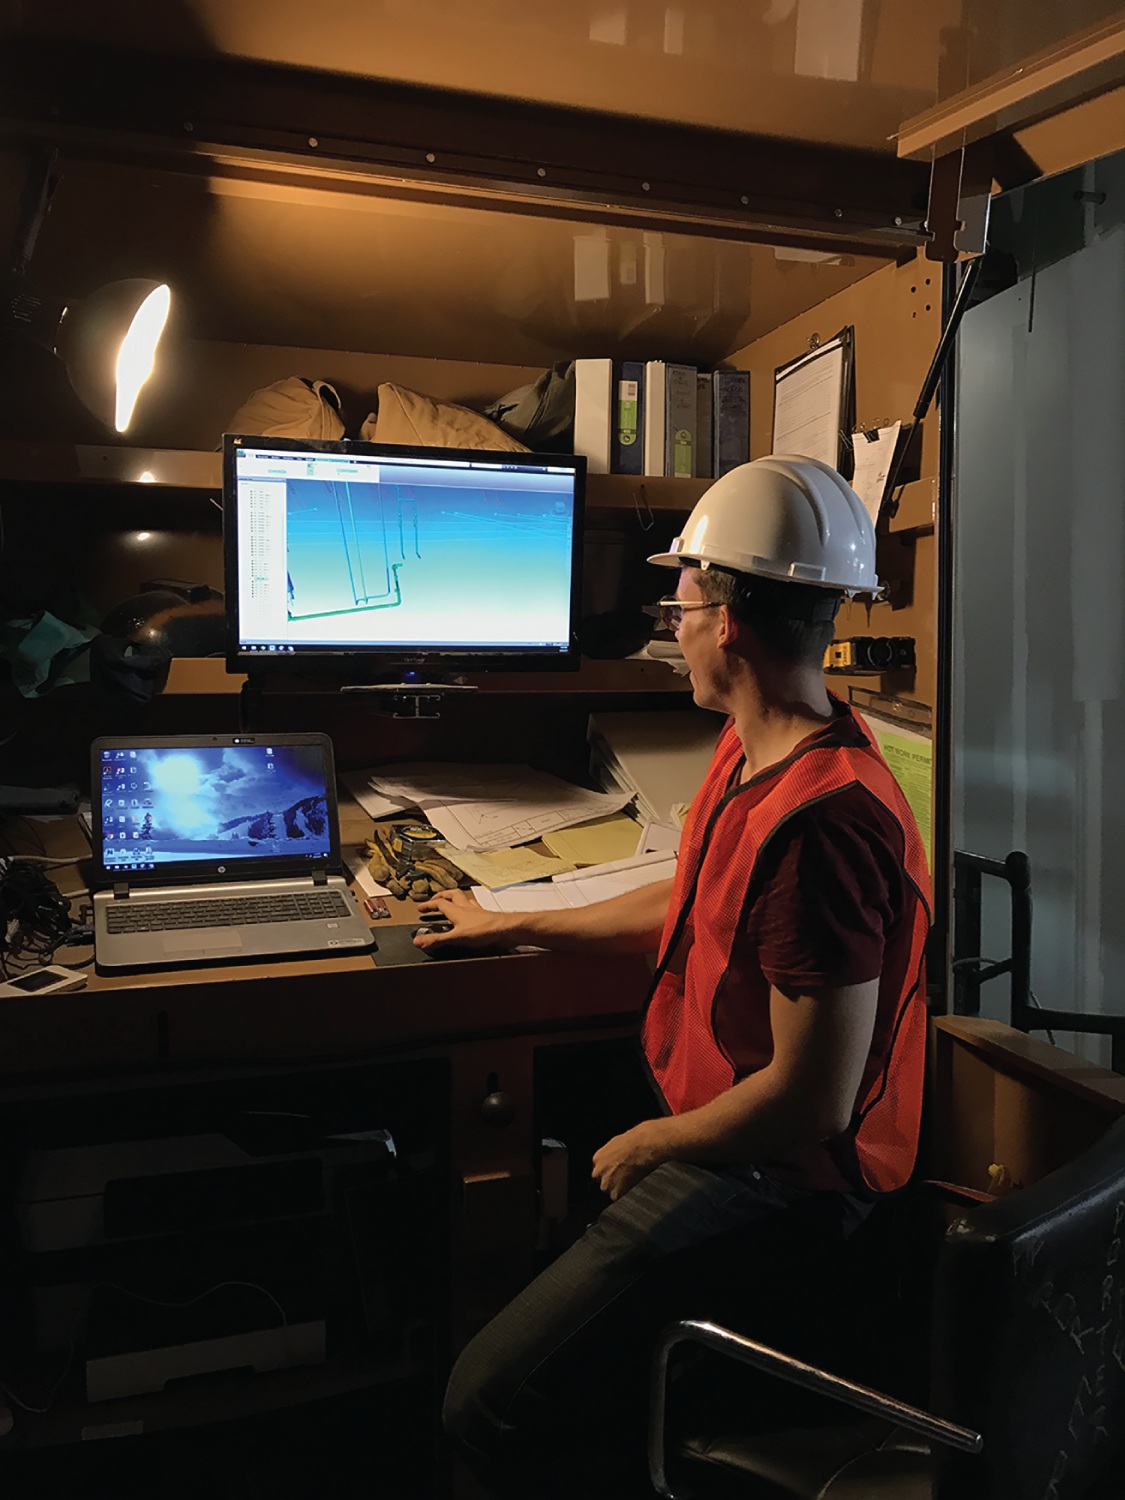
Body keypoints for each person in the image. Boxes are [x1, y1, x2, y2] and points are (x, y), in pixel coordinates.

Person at [416, 455, 932, 1500]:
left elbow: (811, 1098)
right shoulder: (759, 747)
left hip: (781, 1183)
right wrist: (518, 923)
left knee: (482, 1397)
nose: (672, 627)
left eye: (682, 602)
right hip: (725, 1129)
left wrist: (652, 1143)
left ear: (729, 623)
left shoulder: (820, 827)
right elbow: (696, 900)